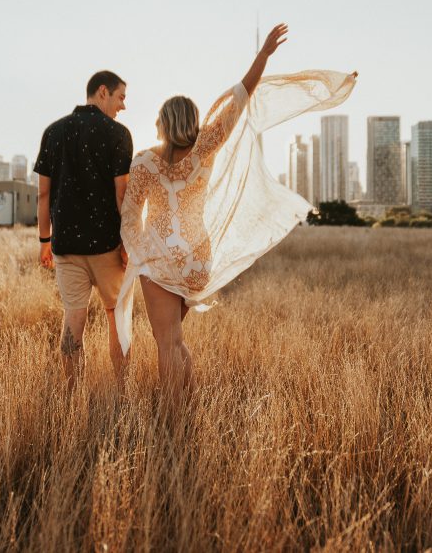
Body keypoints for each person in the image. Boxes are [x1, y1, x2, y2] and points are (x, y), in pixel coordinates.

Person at [115, 24, 357, 399]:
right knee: (176, 340)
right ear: (192, 122)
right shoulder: (206, 146)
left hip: (160, 259)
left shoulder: (145, 161)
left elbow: (130, 214)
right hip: (196, 258)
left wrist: (136, 251)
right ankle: (188, 404)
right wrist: (262, 56)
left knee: (165, 343)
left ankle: (172, 415)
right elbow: (241, 98)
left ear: (161, 122)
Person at [34, 70, 132, 394]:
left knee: (73, 322)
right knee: (116, 319)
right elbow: (122, 195)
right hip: (107, 248)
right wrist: (128, 242)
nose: (123, 106)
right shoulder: (118, 134)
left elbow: (43, 195)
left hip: (66, 249)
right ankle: (120, 393)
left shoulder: (53, 132)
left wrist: (44, 241)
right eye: (121, 97)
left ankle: (72, 397)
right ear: (102, 92)